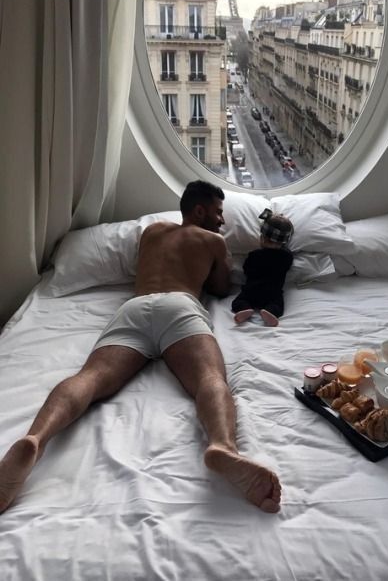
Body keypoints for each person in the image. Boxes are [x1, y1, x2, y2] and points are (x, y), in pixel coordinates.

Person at [0, 181, 281, 514]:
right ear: (200, 210)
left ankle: (35, 439)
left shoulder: (152, 232)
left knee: (89, 377)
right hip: (180, 305)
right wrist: (221, 261)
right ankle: (223, 446)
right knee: (209, 378)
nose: (222, 221)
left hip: (135, 307)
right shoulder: (214, 240)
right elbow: (221, 289)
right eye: (219, 213)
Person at [232, 209, 294, 327]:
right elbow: (287, 267)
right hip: (273, 293)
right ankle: (269, 312)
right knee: (277, 305)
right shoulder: (287, 256)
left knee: (238, 302)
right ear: (285, 242)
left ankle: (245, 309)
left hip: (251, 290)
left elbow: (246, 269)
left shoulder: (254, 255)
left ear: (262, 238)